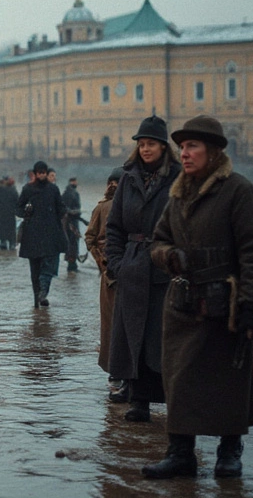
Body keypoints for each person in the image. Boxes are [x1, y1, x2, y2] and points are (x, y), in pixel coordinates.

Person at [142, 115, 253, 480]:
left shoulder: (238, 191)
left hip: (225, 306)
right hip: (182, 305)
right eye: (181, 147)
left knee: (230, 382)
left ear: (212, 152)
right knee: (179, 382)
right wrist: (170, 257)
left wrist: (252, 305)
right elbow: (158, 241)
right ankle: (180, 453)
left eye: (192, 146)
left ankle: (229, 453)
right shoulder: (179, 194)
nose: (184, 153)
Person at [105, 116, 183, 420]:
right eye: (141, 144)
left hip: (166, 266)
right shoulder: (128, 177)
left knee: (162, 338)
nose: (145, 149)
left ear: (163, 146)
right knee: (131, 337)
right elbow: (114, 227)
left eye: (150, 143)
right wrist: (117, 263)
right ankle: (138, 401)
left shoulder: (178, 178)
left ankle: (174, 401)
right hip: (134, 267)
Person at [85, 167, 124, 401]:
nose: (112, 186)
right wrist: (101, 262)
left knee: (118, 324)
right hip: (110, 275)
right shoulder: (101, 208)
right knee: (111, 324)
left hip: (124, 272)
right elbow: (91, 237)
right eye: (111, 182)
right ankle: (115, 372)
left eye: (116, 182)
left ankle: (121, 373)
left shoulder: (128, 208)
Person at [17, 161, 67, 307]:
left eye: (44, 172)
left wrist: (60, 217)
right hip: (32, 235)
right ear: (35, 173)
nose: (42, 175)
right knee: (35, 269)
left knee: (49, 266)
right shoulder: (28, 189)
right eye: (39, 172)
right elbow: (18, 208)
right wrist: (26, 213)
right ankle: (37, 298)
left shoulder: (53, 189)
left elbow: (61, 208)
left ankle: (43, 292)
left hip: (50, 234)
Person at [0, 176, 18, 251]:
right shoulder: (13, 190)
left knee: (1, 229)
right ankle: (12, 243)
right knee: (11, 229)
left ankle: (3, 243)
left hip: (0, 214)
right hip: (10, 213)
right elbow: (17, 202)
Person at [62, 177, 83, 272]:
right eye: (75, 181)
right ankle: (72, 265)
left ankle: (72, 264)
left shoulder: (68, 192)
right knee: (73, 242)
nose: (76, 183)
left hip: (71, 221)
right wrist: (75, 212)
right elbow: (66, 208)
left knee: (72, 242)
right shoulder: (71, 193)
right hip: (71, 222)